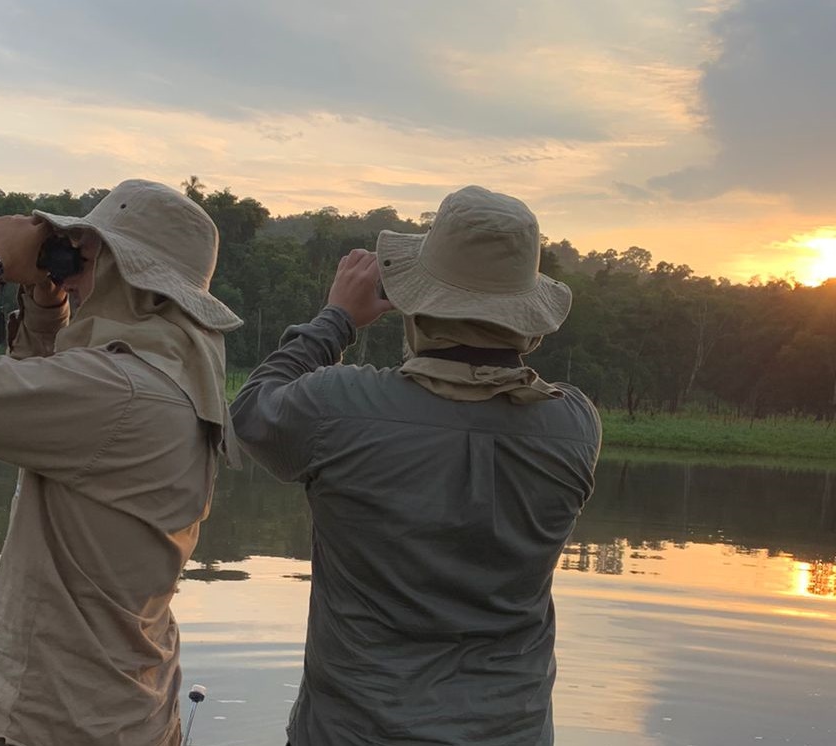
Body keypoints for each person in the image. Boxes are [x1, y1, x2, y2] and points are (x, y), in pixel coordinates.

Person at [231, 185, 601, 746]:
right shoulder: (574, 425)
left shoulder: (338, 408)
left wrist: (336, 320)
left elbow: (252, 411)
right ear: (527, 323)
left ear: (414, 307)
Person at [0, 180, 242, 746]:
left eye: (85, 257)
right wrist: (48, 306)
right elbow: (56, 393)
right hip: (123, 709)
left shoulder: (118, 392)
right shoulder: (169, 377)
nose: (66, 270)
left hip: (61, 723)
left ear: (132, 276)